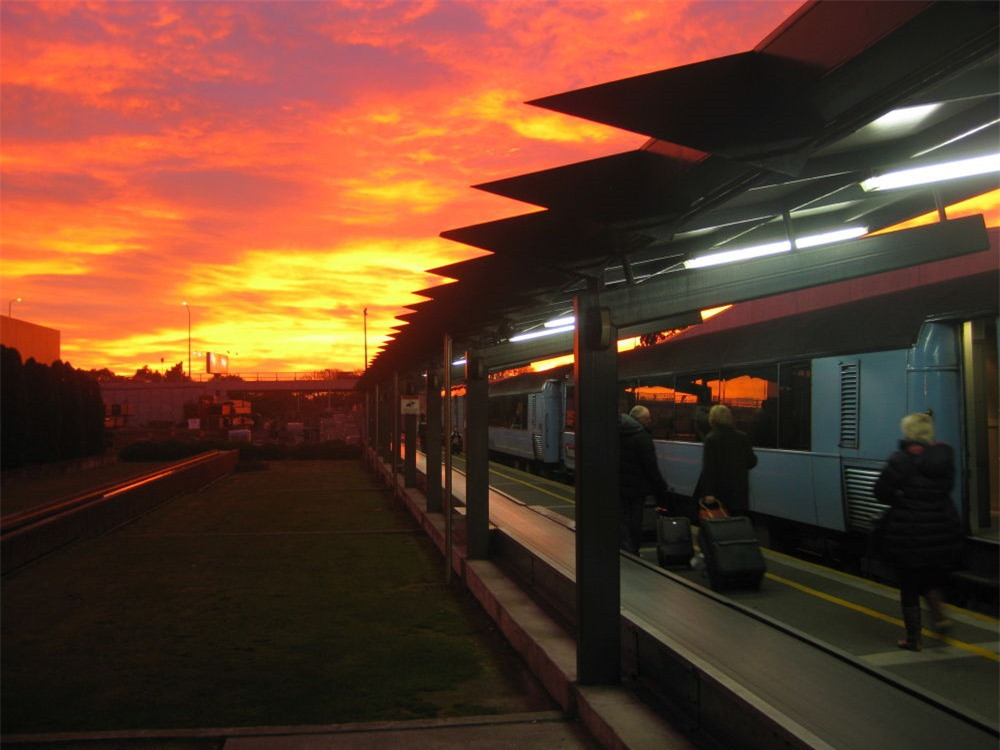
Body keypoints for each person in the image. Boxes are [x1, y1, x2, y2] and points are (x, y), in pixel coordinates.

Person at [873, 412, 964, 651]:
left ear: (909, 433)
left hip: (908, 530)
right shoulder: (945, 457)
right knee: (931, 578)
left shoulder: (900, 459)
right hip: (940, 527)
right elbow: (947, 488)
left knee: (910, 585)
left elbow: (881, 492)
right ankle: (941, 618)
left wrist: (901, 496)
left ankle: (913, 639)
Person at [619, 405, 670, 554]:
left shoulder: (617, 432)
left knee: (622, 519)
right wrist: (661, 488)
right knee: (636, 519)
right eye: (648, 418)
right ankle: (633, 551)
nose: (650, 421)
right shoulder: (642, 437)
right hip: (637, 488)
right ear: (639, 419)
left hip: (619, 485)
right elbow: (650, 466)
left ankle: (624, 548)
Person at [694, 404, 757, 518]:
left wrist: (709, 492)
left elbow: (709, 468)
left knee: (720, 528)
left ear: (712, 419)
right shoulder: (742, 437)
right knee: (737, 525)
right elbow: (752, 462)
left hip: (720, 493)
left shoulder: (711, 439)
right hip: (739, 493)